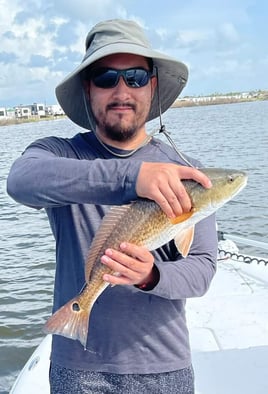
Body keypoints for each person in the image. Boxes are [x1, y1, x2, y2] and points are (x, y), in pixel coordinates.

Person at [7, 19, 217, 394]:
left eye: (135, 76)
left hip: (165, 367)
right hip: (78, 368)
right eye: (105, 77)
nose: (121, 90)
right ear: (88, 88)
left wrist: (152, 275)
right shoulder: (59, 153)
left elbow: (201, 269)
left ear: (152, 85)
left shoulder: (190, 173)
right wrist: (132, 178)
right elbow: (22, 181)